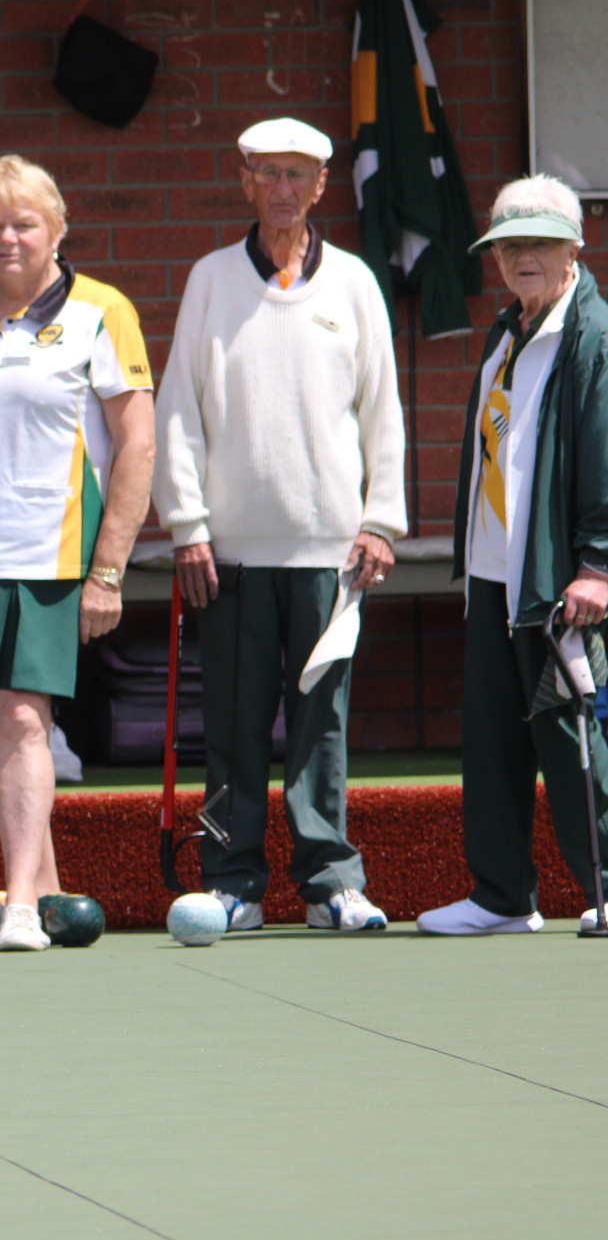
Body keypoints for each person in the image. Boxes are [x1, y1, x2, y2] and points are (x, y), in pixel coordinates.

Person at [153, 117, 405, 935]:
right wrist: (187, 525)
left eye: (300, 175)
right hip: (227, 556)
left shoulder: (357, 284)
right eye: (269, 174)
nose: (284, 190)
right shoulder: (212, 279)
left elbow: (384, 416)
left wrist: (381, 522)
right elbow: (177, 411)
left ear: (323, 186)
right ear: (245, 179)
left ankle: (331, 881)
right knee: (230, 728)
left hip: (332, 555)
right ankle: (232, 880)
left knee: (320, 726)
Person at [0, 155, 155, 951]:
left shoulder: (100, 310)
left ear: (57, 229)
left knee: (21, 714)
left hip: (48, 548)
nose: (7, 238)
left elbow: (138, 446)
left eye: (24, 223)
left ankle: (15, 902)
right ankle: (43, 888)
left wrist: (108, 568)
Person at [418, 175, 608, 935]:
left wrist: (597, 563)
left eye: (538, 241)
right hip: (497, 574)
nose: (522, 255)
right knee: (493, 734)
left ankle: (604, 882)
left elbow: (601, 453)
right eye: (509, 243)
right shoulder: (508, 330)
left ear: (574, 247)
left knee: (569, 732)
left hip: (557, 576)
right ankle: (500, 893)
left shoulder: (591, 335)